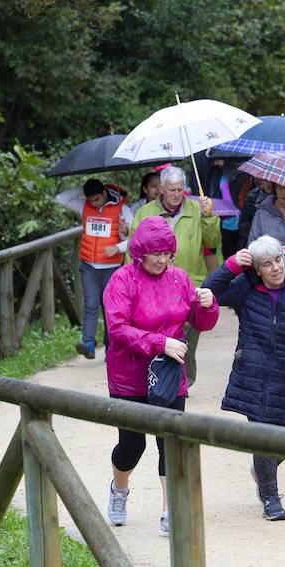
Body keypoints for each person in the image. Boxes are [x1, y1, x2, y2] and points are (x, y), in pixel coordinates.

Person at [102, 216, 220, 533]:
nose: (161, 259)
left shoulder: (179, 278)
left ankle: (170, 511)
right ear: (140, 252)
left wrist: (208, 305)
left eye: (167, 253)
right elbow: (117, 330)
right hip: (129, 377)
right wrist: (160, 342)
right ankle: (119, 489)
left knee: (170, 442)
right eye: (155, 253)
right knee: (132, 446)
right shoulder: (122, 280)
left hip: (168, 375)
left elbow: (201, 323)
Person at [204, 236, 285, 520]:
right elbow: (208, 293)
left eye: (278, 260)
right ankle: (271, 498)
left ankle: (263, 469)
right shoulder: (244, 289)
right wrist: (230, 266)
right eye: (267, 264)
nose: (276, 268)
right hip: (253, 376)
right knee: (263, 439)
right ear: (257, 270)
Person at [131, 166, 220, 389]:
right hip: (153, 285)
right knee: (160, 334)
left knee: (188, 337)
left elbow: (212, 242)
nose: (177, 194)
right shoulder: (145, 213)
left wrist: (208, 217)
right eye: (172, 190)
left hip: (190, 283)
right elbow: (133, 250)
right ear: (161, 189)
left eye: (181, 189)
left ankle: (183, 383)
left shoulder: (196, 209)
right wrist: (131, 283)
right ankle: (158, 379)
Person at [54, 178, 134, 359]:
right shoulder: (85, 206)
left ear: (104, 193)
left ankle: (111, 348)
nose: (94, 203)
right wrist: (82, 189)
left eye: (97, 199)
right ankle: (88, 344)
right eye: (90, 200)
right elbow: (60, 198)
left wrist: (118, 246)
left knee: (109, 308)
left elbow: (134, 237)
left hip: (112, 267)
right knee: (90, 304)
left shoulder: (123, 209)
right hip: (89, 266)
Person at [238, 177, 272, 244]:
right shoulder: (252, 197)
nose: (268, 184)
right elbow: (245, 224)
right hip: (255, 238)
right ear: (260, 180)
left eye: (271, 181)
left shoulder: (280, 198)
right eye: (265, 180)